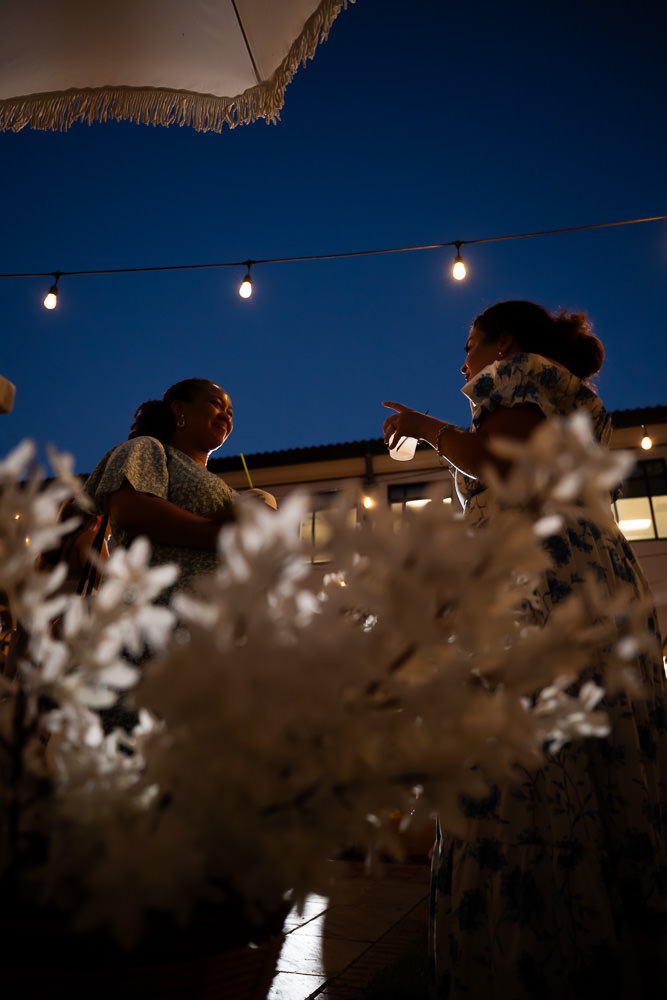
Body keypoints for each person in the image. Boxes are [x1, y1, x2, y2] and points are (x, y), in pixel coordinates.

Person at [382, 300, 667, 999]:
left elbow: (503, 470)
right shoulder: (572, 396)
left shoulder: (520, 372)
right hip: (591, 570)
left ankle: (527, 953)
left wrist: (425, 429)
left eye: (470, 343)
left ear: (502, 341)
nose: (463, 360)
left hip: (540, 578)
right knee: (596, 762)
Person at [85, 377, 252, 595]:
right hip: (157, 605)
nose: (225, 416)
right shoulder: (149, 449)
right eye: (216, 404)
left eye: (230, 413)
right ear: (179, 408)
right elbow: (132, 511)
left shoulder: (222, 486)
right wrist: (223, 535)